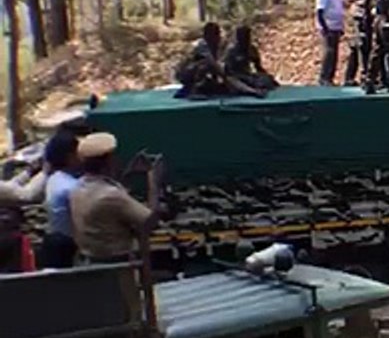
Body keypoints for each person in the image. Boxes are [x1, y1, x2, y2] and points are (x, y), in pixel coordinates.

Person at [69, 132, 164, 265]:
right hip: (116, 265)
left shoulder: (78, 188)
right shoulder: (111, 195)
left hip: (90, 261)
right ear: (108, 161)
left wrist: (129, 172)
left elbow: (107, 188)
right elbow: (150, 222)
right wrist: (154, 182)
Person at [174, 23, 264, 99]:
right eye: (216, 34)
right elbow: (216, 67)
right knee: (205, 65)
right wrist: (229, 81)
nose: (218, 37)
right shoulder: (202, 46)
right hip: (186, 74)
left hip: (236, 76)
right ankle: (194, 91)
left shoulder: (217, 48)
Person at [40, 131, 81, 268]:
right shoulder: (71, 187)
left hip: (55, 240)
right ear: (70, 157)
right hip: (68, 247)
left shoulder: (54, 179)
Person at [222, 26, 279, 92]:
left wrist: (266, 76)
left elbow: (258, 67)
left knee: (265, 79)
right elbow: (227, 71)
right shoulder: (232, 51)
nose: (245, 39)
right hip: (237, 77)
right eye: (242, 37)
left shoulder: (252, 49)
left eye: (247, 36)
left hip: (248, 75)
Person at [315, 0, 345, 86]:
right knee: (329, 52)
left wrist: (341, 26)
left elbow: (338, 7)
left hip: (337, 26)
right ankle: (324, 78)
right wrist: (324, 28)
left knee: (335, 54)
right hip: (328, 26)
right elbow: (319, 11)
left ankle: (330, 78)